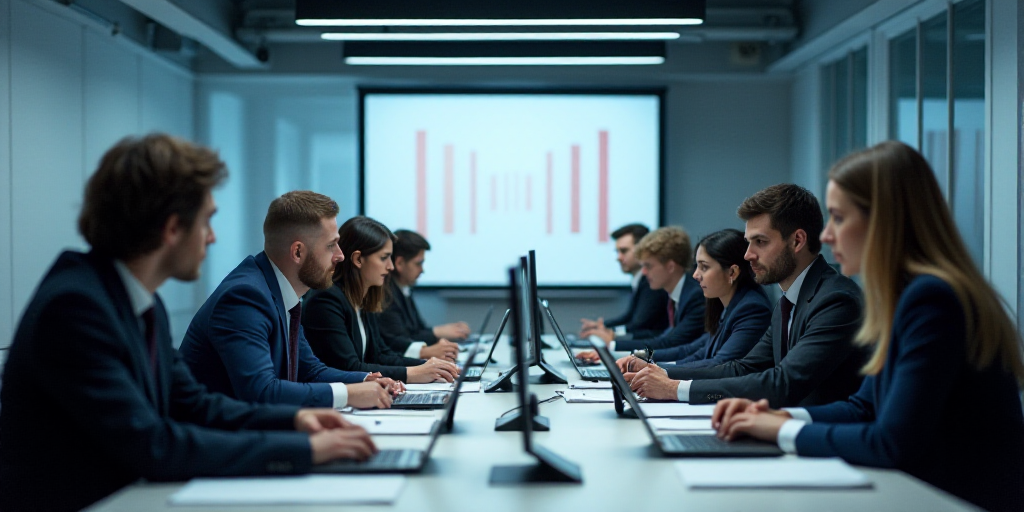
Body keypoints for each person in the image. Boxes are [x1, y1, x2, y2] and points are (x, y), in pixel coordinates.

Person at [0, 135, 377, 512]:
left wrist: (298, 421)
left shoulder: (140, 302)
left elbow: (195, 404)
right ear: (172, 228)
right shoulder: (76, 309)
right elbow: (154, 444)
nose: (212, 238)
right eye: (207, 221)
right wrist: (302, 449)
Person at [712, 142, 1024, 512]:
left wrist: (780, 431)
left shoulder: (932, 300)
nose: (826, 236)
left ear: (884, 222)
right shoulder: (909, 295)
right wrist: (779, 416)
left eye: (839, 218)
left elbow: (890, 443)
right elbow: (863, 407)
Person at [628, 184, 865, 407]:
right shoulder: (788, 300)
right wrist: (661, 373)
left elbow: (783, 383)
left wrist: (675, 389)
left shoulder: (835, 300)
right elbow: (741, 368)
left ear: (797, 241)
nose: (748, 255)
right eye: (748, 243)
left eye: (760, 242)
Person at [180, 191, 399, 410]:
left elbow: (310, 370)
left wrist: (365, 380)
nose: (340, 256)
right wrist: (348, 393)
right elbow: (261, 392)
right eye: (331, 245)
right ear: (297, 252)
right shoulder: (245, 297)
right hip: (221, 438)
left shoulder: (279, 292)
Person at [303, 217, 460, 383]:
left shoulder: (363, 296)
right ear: (358, 260)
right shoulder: (326, 300)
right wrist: (413, 373)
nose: (391, 267)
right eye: (384, 258)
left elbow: (380, 355)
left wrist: (429, 365)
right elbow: (349, 367)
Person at [613, 229, 771, 371]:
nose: (695, 275)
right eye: (696, 266)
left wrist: (654, 368)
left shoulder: (751, 308)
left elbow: (721, 364)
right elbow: (695, 351)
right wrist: (642, 360)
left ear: (732, 272)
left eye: (704, 267)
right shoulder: (724, 304)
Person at [578, 226, 705, 358]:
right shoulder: (680, 293)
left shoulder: (695, 296)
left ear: (670, 267)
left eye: (648, 266)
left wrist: (613, 345)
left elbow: (672, 342)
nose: (643, 272)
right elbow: (665, 337)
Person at [377, 229, 462, 361]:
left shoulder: (404, 289)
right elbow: (396, 341)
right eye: (418, 263)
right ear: (399, 263)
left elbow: (417, 329)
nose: (422, 270)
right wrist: (432, 341)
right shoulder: (385, 293)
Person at [579, 223, 669, 340]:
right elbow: (629, 317)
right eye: (617, 252)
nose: (619, 257)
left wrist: (610, 332)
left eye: (624, 251)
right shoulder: (640, 280)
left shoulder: (652, 281)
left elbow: (639, 324)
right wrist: (602, 326)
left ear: (643, 250)